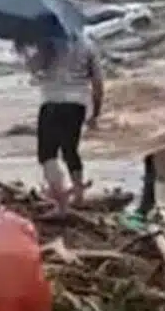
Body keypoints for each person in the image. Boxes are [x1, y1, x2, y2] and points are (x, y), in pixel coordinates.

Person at [18, 35, 105, 209]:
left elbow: (35, 69)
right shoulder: (88, 45)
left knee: (47, 154)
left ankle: (61, 204)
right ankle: (78, 196)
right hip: (76, 104)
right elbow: (98, 83)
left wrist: (24, 52)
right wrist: (95, 113)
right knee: (70, 150)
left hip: (51, 102)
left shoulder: (49, 41)